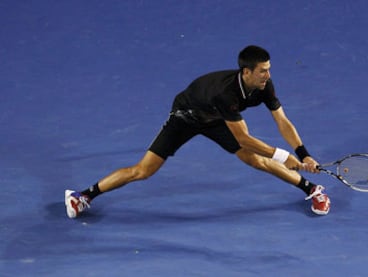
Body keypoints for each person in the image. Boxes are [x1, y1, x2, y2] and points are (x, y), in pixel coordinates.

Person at [65, 45, 330, 218]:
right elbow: (243, 138)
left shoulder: (264, 86)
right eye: (263, 71)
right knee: (143, 171)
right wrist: (285, 157)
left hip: (215, 119)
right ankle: (83, 196)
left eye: (269, 69)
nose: (268, 75)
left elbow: (282, 120)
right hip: (186, 116)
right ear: (247, 71)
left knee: (255, 159)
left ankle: (312, 189)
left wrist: (303, 154)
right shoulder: (226, 93)